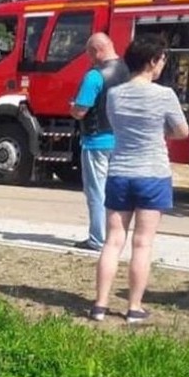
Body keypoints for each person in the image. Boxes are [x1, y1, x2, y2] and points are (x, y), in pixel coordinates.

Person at [90, 35, 189, 323]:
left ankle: (99, 305)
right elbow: (181, 131)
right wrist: (162, 132)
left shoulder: (114, 95)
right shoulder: (165, 95)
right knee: (142, 243)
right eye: (161, 60)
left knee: (112, 241)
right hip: (153, 175)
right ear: (152, 61)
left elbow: (118, 126)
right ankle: (134, 308)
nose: (162, 65)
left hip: (120, 171)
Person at [70, 33, 130, 251]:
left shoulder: (94, 76)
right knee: (117, 193)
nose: (89, 59)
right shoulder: (128, 71)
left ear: (96, 51)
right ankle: (117, 237)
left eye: (89, 54)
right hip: (122, 141)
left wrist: (73, 108)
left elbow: (81, 110)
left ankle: (97, 239)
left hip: (96, 141)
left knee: (96, 192)